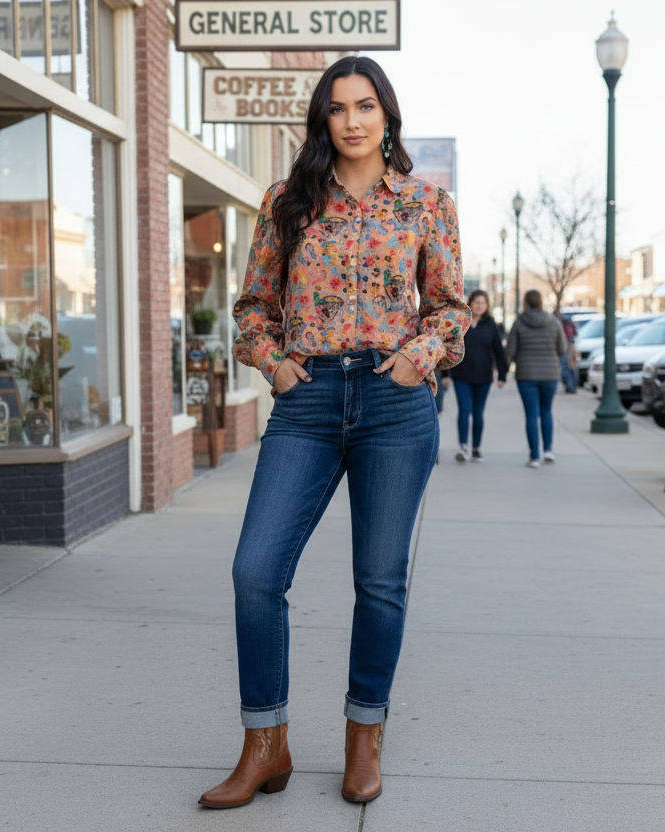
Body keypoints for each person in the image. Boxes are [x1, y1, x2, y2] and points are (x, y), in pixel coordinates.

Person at [202, 56, 468, 810]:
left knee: (379, 583)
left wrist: (417, 361)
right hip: (308, 402)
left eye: (365, 106)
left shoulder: (425, 204)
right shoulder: (288, 201)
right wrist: (276, 365)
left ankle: (363, 738)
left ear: (387, 117)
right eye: (338, 108)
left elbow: (451, 310)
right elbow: (253, 304)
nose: (351, 120)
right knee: (256, 572)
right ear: (323, 120)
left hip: (393, 404)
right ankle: (266, 744)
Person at [506, 290, 568, 468]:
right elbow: (562, 349)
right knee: (546, 411)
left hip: (526, 375)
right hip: (550, 374)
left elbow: (510, 351)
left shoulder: (519, 322)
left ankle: (534, 456)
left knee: (531, 414)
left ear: (525, 302)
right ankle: (548, 450)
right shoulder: (554, 322)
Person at [443, 289, 507, 462]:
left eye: (482, 303)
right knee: (464, 410)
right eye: (476, 302)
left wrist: (502, 375)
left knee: (478, 413)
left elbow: (499, 352)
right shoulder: (460, 323)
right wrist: (445, 374)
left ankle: (476, 447)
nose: (479, 306)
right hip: (461, 375)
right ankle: (463, 447)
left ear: (487, 306)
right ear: (470, 303)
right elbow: (449, 348)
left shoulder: (491, 325)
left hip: (483, 377)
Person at [560, 315, 578, 394]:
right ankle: (572, 386)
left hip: (566, 348)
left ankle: (570, 387)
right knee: (571, 368)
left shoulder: (564, 328)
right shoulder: (571, 328)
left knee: (565, 369)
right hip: (570, 347)